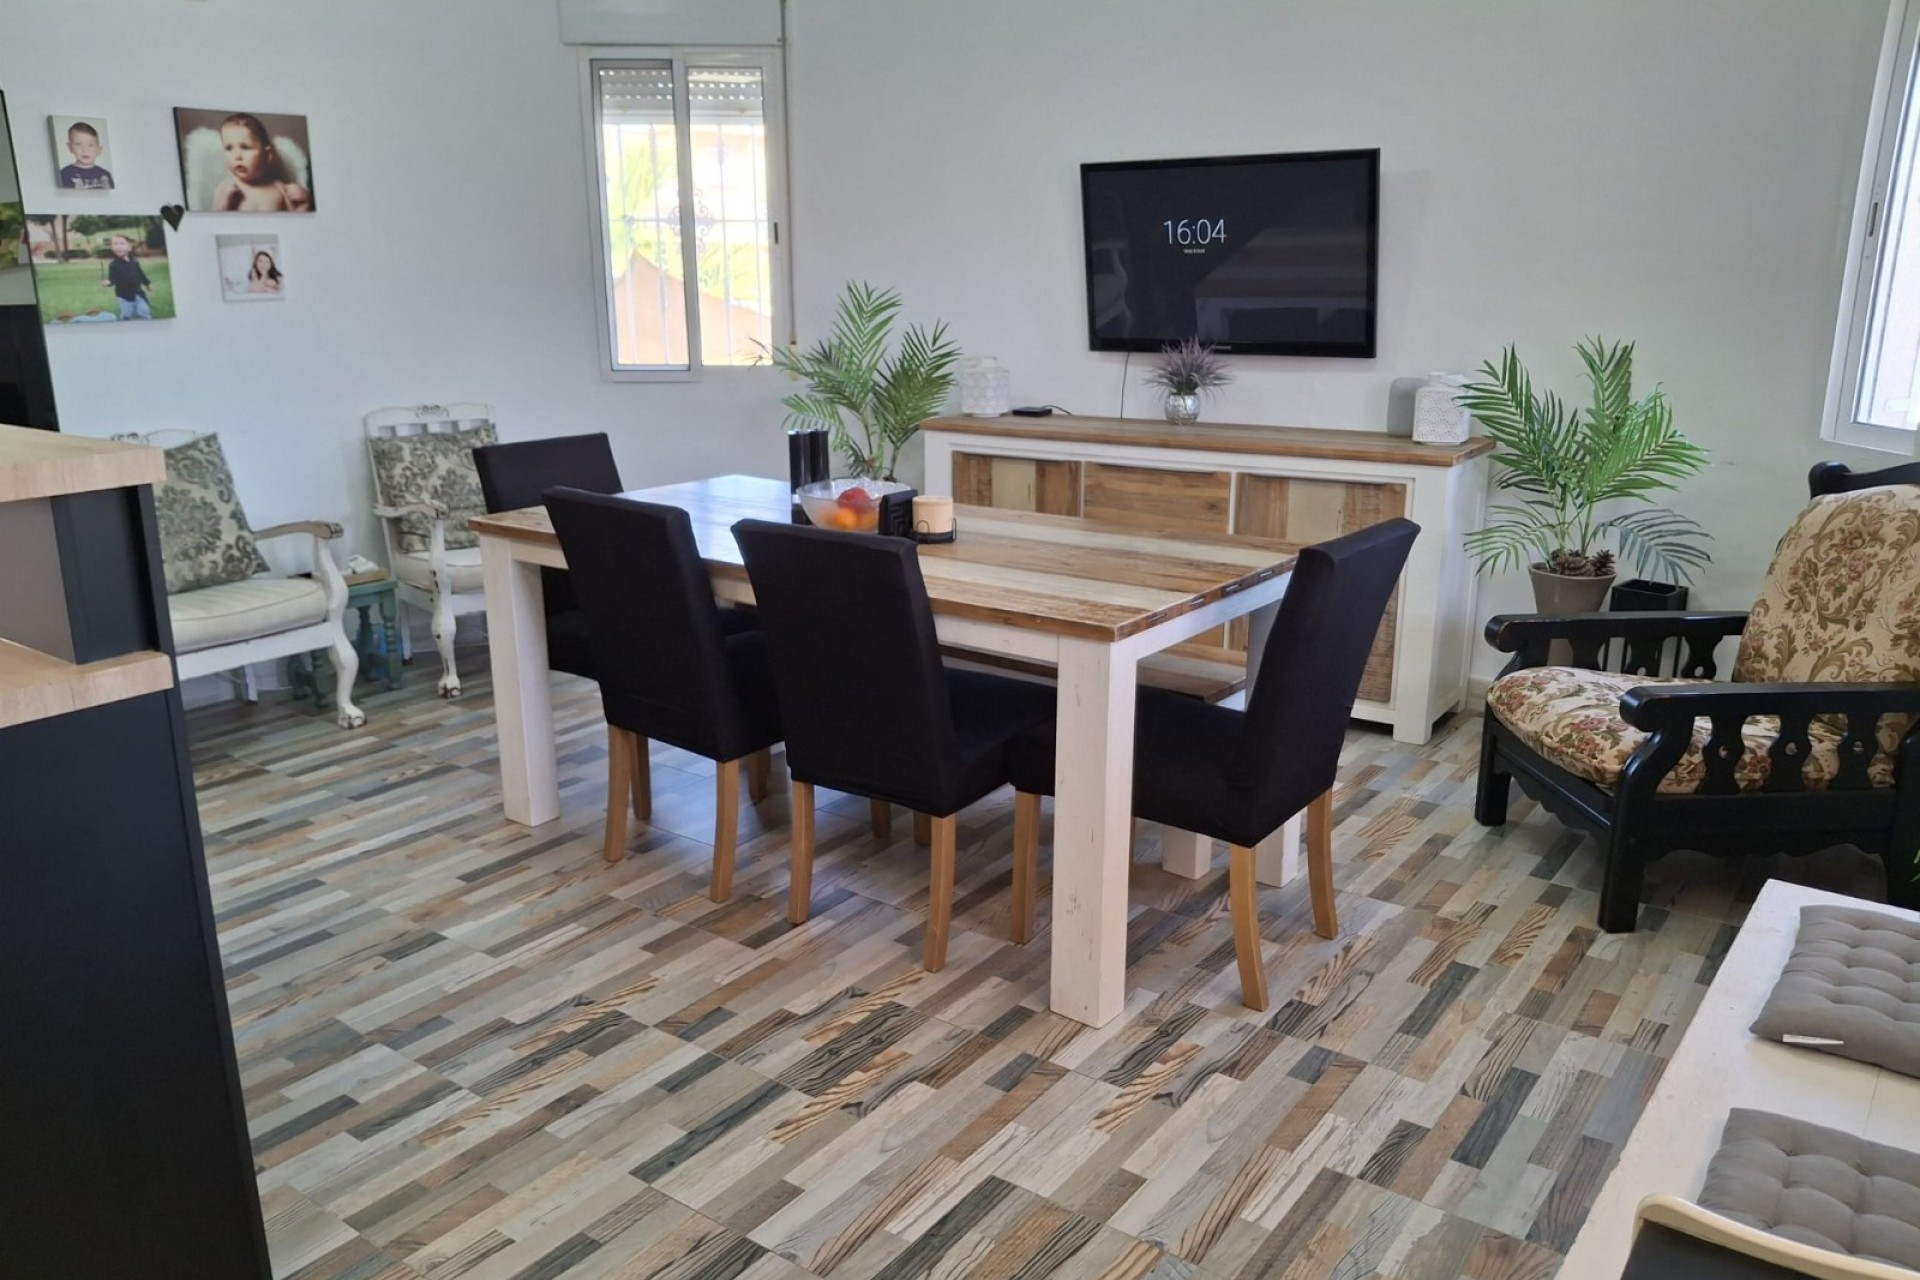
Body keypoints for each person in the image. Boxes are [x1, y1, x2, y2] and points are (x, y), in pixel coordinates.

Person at [211, 113, 312, 212]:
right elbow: (215, 220)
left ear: (267, 155)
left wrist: (305, 204)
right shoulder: (226, 190)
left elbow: (292, 219)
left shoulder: (280, 188)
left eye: (245, 147)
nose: (237, 156)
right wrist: (221, 208)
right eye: (229, 148)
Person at [100, 234, 152, 320]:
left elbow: (141, 274)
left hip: (138, 294)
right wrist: (108, 282)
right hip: (124, 297)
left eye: (122, 243)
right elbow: (113, 279)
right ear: (112, 248)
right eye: (115, 244)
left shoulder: (134, 261)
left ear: (129, 247)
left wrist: (147, 283)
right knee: (126, 315)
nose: (118, 246)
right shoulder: (114, 265)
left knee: (144, 312)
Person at [57, 121, 113, 191]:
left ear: (99, 149)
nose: (85, 150)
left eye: (90, 145)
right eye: (78, 144)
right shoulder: (64, 174)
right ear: (70, 147)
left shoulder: (105, 175)